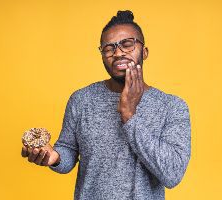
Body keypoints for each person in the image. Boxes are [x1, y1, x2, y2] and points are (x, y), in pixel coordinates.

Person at [21, 10, 191, 200]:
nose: (118, 53)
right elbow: (67, 149)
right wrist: (56, 157)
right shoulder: (81, 100)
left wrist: (129, 115)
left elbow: (173, 174)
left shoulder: (172, 106)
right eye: (109, 48)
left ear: (144, 52)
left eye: (127, 44)